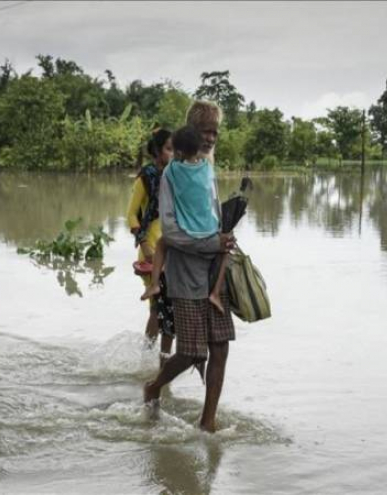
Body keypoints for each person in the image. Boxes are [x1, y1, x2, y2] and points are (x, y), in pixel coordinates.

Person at [143, 101, 236, 433]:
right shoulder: (172, 175)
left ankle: (207, 421)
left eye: (215, 132)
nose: (211, 138)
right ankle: (154, 386)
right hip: (184, 273)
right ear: (193, 134)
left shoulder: (207, 169)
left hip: (213, 268)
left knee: (221, 345)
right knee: (192, 351)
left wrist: (226, 234)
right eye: (206, 132)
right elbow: (170, 231)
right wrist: (212, 243)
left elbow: (210, 215)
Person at [140, 126, 229, 315]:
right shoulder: (207, 169)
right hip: (210, 229)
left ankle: (154, 284)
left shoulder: (171, 172)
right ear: (199, 148)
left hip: (187, 231)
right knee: (226, 248)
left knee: (162, 243)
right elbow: (214, 202)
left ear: (178, 152)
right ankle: (215, 293)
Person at [127, 128, 175, 365]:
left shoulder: (175, 176)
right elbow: (131, 216)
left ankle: (157, 361)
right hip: (150, 247)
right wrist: (145, 245)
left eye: (175, 149)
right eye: (168, 149)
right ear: (157, 151)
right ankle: (149, 359)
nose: (173, 154)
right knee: (157, 306)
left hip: (171, 246)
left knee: (166, 307)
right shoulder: (145, 177)